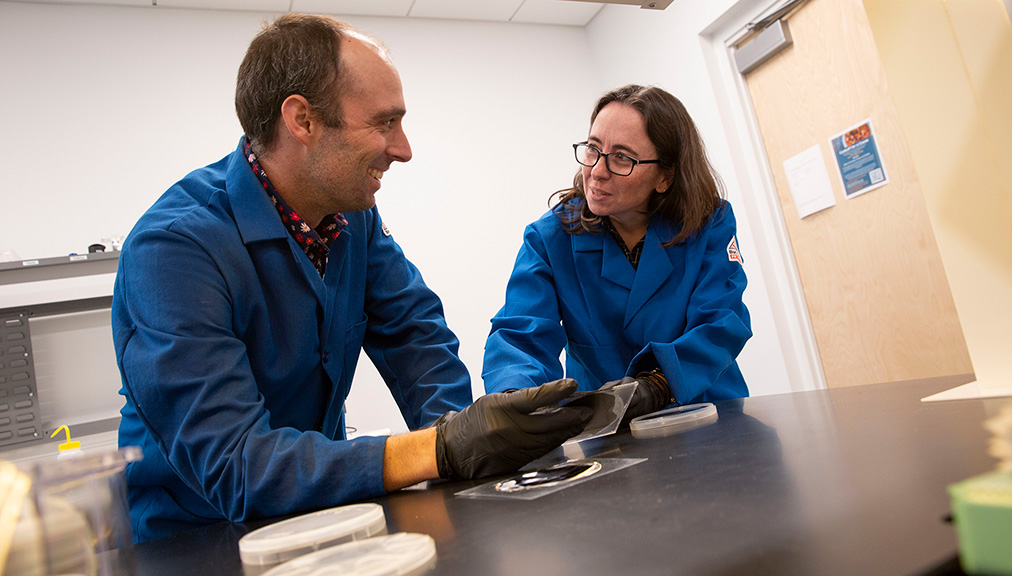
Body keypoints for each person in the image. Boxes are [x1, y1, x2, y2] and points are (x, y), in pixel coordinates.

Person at [113, 14, 591, 543]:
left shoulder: (351, 218)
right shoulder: (176, 248)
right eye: (384, 123)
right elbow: (236, 465)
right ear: (303, 121)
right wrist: (440, 448)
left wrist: (466, 441)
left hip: (321, 510)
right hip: (200, 539)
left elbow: (414, 332)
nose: (403, 148)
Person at [482, 84, 752, 422]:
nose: (597, 170)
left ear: (665, 177)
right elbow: (521, 334)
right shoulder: (550, 238)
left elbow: (722, 321)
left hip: (710, 414)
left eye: (622, 157)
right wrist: (514, 401)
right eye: (593, 149)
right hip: (611, 430)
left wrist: (659, 382)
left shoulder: (707, 223)